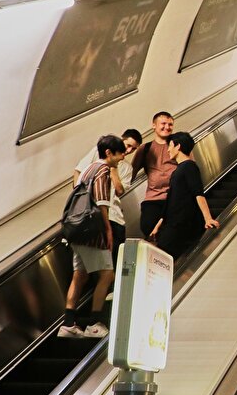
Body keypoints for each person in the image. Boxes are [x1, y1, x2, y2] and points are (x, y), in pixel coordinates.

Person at [58, 134, 126, 338]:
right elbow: (102, 203)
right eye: (119, 153)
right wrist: (107, 232)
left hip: (76, 232)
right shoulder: (103, 169)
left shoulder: (86, 169)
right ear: (108, 152)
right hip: (92, 232)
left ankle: (68, 324)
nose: (122, 157)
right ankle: (95, 323)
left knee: (80, 275)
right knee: (107, 274)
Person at [74, 128, 142, 265]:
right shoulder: (97, 154)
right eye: (128, 146)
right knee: (100, 270)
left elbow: (119, 191)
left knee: (110, 264)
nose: (128, 151)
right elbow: (78, 171)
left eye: (133, 149)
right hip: (96, 216)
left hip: (115, 217)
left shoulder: (127, 168)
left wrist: (114, 168)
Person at [150, 132, 219, 259]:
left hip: (181, 224)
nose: (168, 149)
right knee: (163, 257)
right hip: (172, 223)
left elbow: (198, 193)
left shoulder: (189, 167)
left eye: (170, 146)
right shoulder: (179, 169)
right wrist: (158, 225)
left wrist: (208, 218)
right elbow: (170, 201)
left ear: (178, 146)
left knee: (162, 257)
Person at [130, 111, 176, 238]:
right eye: (163, 123)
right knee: (148, 229)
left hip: (174, 199)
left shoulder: (178, 146)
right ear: (154, 125)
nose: (167, 127)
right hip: (153, 200)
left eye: (170, 124)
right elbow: (131, 173)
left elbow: (190, 169)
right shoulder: (145, 148)